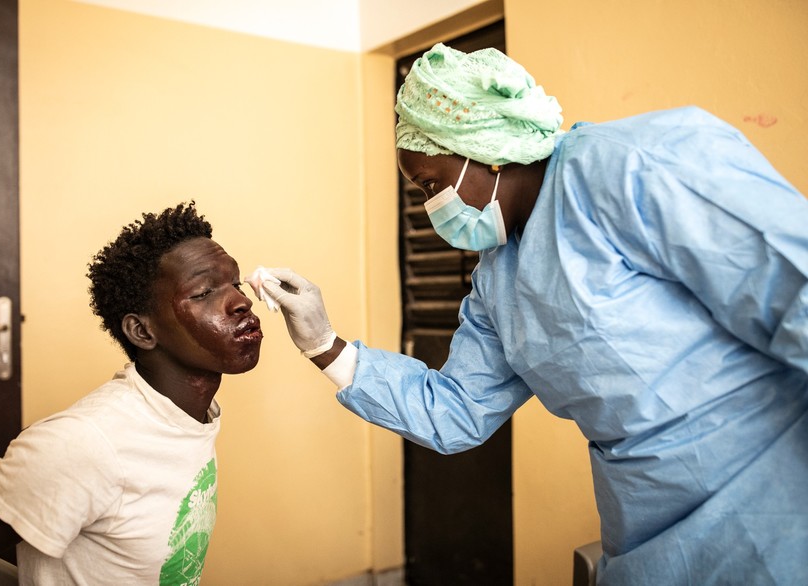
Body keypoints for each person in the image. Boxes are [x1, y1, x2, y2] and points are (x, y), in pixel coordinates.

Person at [256, 43, 808, 584]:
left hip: (769, 489)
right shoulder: (498, 280)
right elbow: (457, 411)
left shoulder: (627, 166)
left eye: (431, 184)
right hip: (645, 519)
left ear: (485, 148)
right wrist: (323, 342)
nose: (431, 209)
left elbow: (790, 284)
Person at [0, 202, 263, 585]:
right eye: (204, 292)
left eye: (235, 283)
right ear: (142, 331)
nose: (241, 302)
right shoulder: (82, 443)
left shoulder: (192, 415)